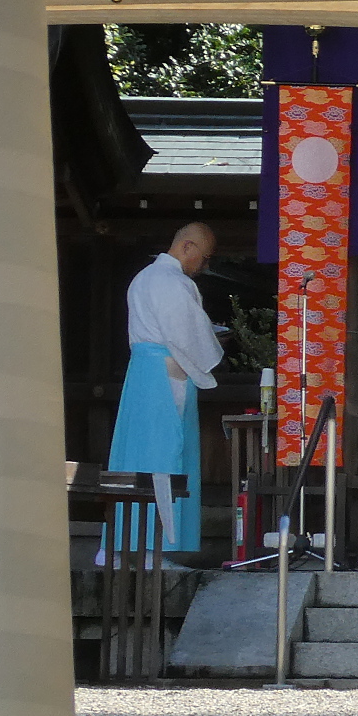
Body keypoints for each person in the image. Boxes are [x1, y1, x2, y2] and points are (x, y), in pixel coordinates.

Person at [107, 222, 222, 556]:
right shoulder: (174, 283)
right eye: (204, 256)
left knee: (138, 452)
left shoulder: (143, 278)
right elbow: (187, 335)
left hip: (142, 372)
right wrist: (214, 347)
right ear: (187, 247)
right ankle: (162, 548)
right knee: (166, 454)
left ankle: (126, 542)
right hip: (166, 375)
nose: (204, 265)